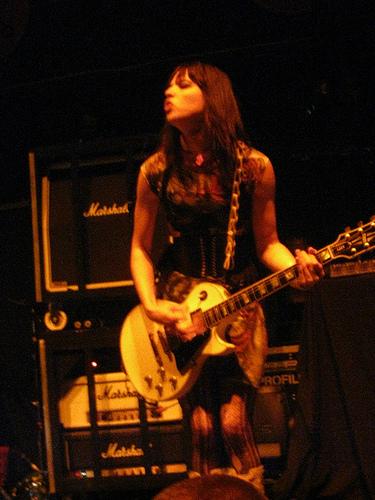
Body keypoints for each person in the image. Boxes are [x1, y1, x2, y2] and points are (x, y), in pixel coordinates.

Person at [130, 61, 324, 497]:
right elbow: (140, 248)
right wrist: (150, 303)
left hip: (238, 304)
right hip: (180, 310)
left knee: (235, 423)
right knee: (200, 427)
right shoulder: (155, 170)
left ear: (212, 98)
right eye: (168, 84)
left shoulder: (253, 166)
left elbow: (268, 243)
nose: (169, 91)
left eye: (183, 85)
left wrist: (296, 267)